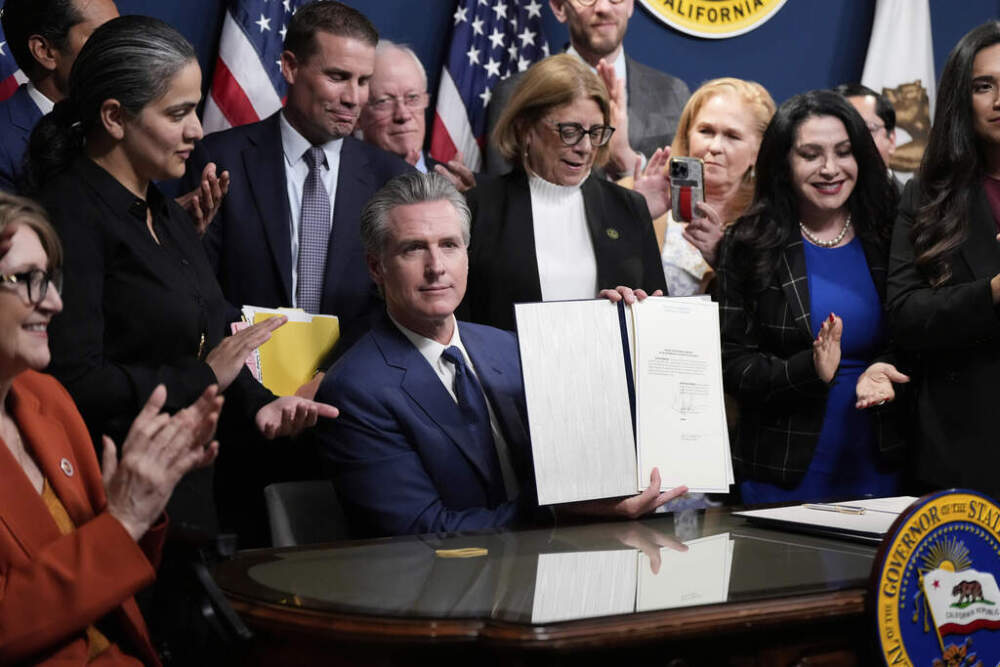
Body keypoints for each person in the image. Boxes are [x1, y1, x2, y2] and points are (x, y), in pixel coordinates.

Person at [23, 16, 337, 542]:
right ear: (114, 117)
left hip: (188, 501)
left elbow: (208, 343)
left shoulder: (168, 212)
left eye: (196, 109)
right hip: (108, 511)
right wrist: (204, 378)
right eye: (178, 113)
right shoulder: (66, 217)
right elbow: (72, 384)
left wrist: (262, 405)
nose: (197, 130)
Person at [316, 171, 685, 537]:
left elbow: (587, 453)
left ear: (467, 255)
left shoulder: (510, 348)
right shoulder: (354, 390)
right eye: (413, 248)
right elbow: (420, 532)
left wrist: (625, 343)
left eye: (449, 245)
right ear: (376, 267)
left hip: (575, 559)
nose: (436, 267)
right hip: (453, 572)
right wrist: (561, 514)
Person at [0, 192, 223, 665]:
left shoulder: (47, 399)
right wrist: (122, 521)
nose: (54, 302)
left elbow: (110, 583)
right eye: (27, 280)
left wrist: (144, 501)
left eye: (51, 279)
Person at [716, 90, 907, 504]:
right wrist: (809, 369)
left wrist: (884, 366)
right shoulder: (748, 243)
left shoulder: (892, 232)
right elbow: (731, 365)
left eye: (844, 152)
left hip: (881, 462)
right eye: (811, 154)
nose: (830, 168)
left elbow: (921, 331)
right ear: (783, 161)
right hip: (782, 468)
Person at [182, 0, 412, 324]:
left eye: (363, 81)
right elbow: (197, 290)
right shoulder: (220, 159)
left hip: (354, 357)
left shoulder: (393, 179)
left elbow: (395, 305)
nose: (353, 98)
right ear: (290, 67)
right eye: (338, 76)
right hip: (244, 353)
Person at [463, 54, 666, 332]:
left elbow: (658, 315)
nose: (585, 147)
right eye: (570, 131)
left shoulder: (628, 207)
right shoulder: (477, 207)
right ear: (525, 128)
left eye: (595, 132)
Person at [886, 21, 1000, 497]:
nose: (999, 100)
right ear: (960, 97)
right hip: (963, 448)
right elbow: (904, 314)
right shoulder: (928, 194)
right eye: (983, 86)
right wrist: (991, 293)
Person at [484, 0, 690, 178]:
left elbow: (684, 191)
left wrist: (627, 162)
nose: (603, 7)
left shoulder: (673, 93)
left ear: (630, 5)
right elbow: (502, 200)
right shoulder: (516, 94)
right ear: (559, 7)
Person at [623, 78, 775, 296]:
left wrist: (722, 257)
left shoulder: (769, 224)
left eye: (732, 136)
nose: (715, 147)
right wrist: (634, 216)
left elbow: (771, 305)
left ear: (758, 151)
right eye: (706, 131)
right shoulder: (634, 193)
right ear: (687, 137)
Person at [0, 0, 118, 192]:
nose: (122, 49)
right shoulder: (4, 144)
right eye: (101, 37)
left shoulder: (127, 115)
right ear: (45, 52)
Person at [357, 40, 475, 192]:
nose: (403, 115)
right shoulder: (339, 185)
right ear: (358, 116)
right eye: (384, 101)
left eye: (412, 98)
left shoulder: (462, 189)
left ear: (426, 101)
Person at [834, 82, 902, 192]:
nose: (853, 142)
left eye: (866, 130)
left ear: (891, 139)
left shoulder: (914, 202)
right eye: (841, 131)